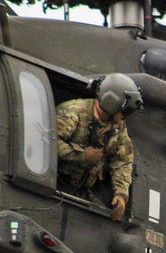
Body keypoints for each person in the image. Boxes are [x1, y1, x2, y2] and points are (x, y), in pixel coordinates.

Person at [56, 73, 143, 221]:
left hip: (83, 189)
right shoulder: (73, 112)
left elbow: (122, 161)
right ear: (112, 103)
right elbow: (50, 143)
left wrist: (121, 194)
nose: (124, 116)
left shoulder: (118, 127)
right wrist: (82, 155)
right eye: (125, 111)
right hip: (56, 183)